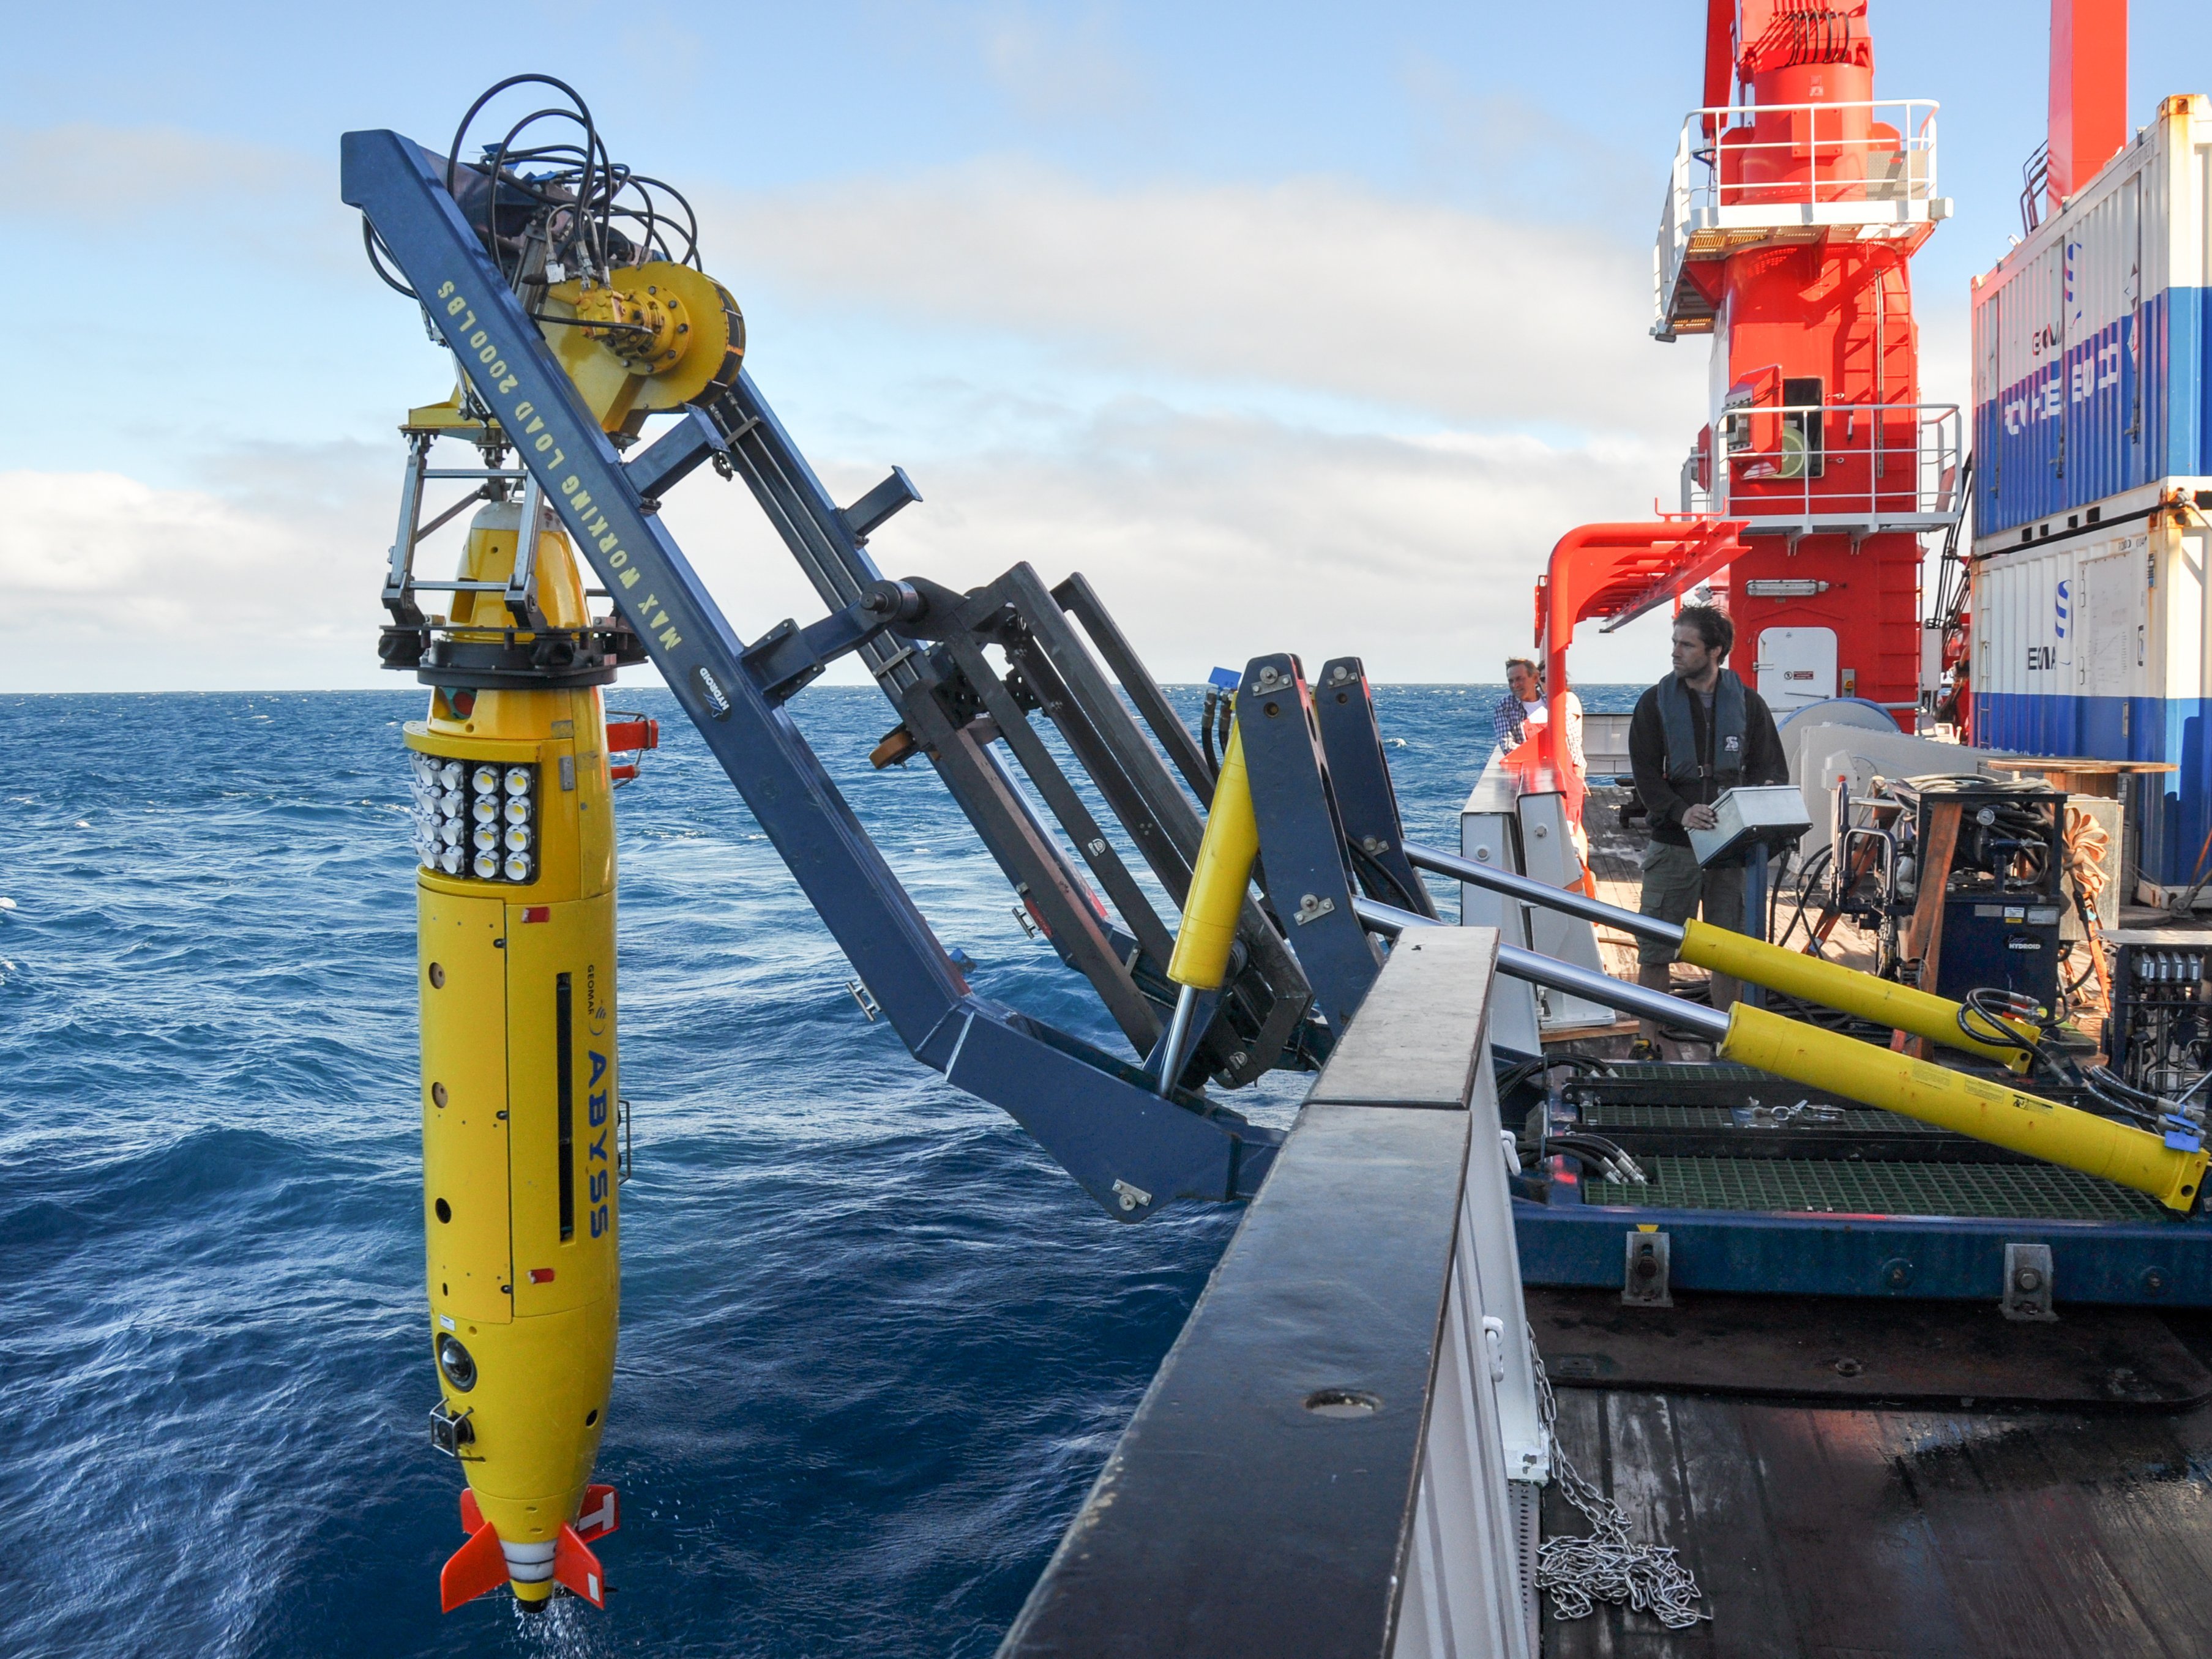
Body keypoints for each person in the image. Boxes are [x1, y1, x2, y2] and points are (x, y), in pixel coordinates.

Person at [1626, 605, 1788, 1051]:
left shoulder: (1750, 706)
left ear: (1715, 651)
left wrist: (1743, 823)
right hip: (1673, 847)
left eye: (1687, 644)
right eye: (1674, 643)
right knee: (1656, 948)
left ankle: (1726, 1043)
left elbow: (1769, 771)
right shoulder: (1654, 704)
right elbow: (1645, 774)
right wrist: (1680, 811)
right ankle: (1647, 1041)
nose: (1675, 652)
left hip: (1729, 851)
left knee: (1729, 953)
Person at [1493, 657, 1585, 780]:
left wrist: (1578, 768)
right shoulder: (1505, 707)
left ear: (1535, 678)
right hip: (1529, 776)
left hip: (1564, 773)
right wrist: (1542, 760)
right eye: (1511, 681)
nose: (1515, 685)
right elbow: (1508, 746)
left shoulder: (1556, 703)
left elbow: (1573, 741)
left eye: (1520, 679)